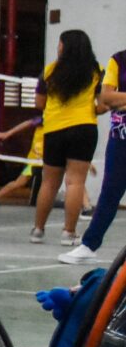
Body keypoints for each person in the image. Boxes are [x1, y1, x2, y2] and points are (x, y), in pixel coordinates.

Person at [30, 29, 103, 246]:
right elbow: (102, 104)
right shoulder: (96, 71)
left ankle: (37, 230)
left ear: (65, 46)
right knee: (75, 181)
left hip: (53, 129)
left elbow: (39, 103)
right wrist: (96, 110)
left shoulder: (50, 71)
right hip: (84, 128)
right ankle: (68, 233)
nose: (58, 46)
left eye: (60, 43)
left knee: (49, 182)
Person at [60, 47, 126, 263]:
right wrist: (115, 99)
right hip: (120, 139)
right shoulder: (119, 60)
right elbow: (107, 97)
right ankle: (89, 245)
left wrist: (121, 99)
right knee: (110, 193)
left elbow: (116, 98)